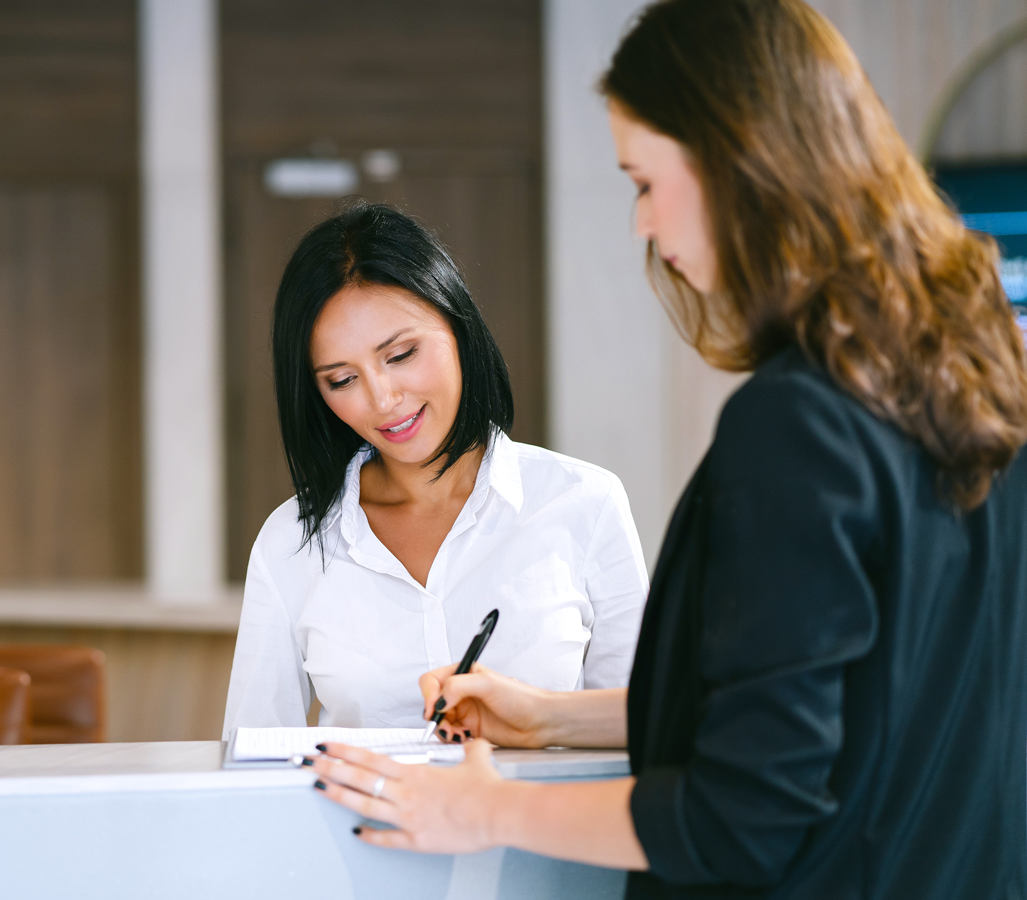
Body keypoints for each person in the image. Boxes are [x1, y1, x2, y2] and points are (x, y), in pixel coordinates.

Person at [307, 0, 1027, 897]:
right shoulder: (976, 372)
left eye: (645, 181)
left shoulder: (799, 424)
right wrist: (552, 720)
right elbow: (835, 712)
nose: (643, 224)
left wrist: (482, 809)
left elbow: (741, 818)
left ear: (739, 160)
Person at [222, 203, 649, 732]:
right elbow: (252, 759)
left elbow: (642, 732)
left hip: (538, 815)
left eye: (400, 354)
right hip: (357, 818)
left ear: (458, 326)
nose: (383, 399)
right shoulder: (292, 541)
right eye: (341, 379)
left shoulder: (585, 503)